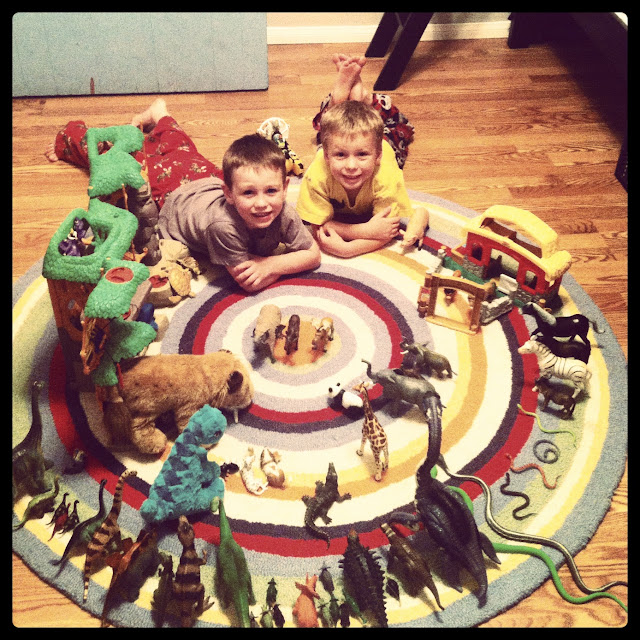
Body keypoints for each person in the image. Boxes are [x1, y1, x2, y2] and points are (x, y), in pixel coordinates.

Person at [46, 98, 321, 292]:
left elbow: (313, 255)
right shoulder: (223, 226)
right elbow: (249, 281)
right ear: (229, 193)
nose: (262, 203)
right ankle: (68, 138)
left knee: (181, 147)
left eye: (271, 190)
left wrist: (270, 264)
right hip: (172, 197)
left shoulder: (282, 210)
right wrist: (279, 265)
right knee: (120, 160)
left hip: (205, 178)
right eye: (249, 192)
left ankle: (160, 114)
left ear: (285, 188)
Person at [296, 55, 429, 259]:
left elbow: (387, 230)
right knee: (330, 129)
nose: (351, 166)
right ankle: (345, 102)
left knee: (398, 129)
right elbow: (319, 227)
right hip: (350, 146)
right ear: (327, 157)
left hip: (384, 144)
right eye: (340, 155)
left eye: (362, 155)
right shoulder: (317, 175)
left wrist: (347, 249)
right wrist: (364, 231)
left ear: (377, 156)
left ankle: (361, 100)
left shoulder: (385, 174)